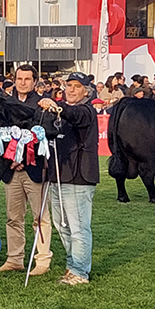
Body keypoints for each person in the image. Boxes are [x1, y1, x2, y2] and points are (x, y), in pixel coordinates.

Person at [39, 71, 99, 285]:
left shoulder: (86, 110)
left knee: (78, 226)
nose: (71, 90)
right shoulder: (62, 112)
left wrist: (58, 107)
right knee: (62, 225)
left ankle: (80, 272)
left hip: (78, 178)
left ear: (86, 90)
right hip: (58, 176)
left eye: (76, 86)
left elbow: (76, 115)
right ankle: (72, 265)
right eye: (68, 86)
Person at [0, 64, 52, 277]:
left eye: (27, 79)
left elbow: (44, 136)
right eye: (19, 78)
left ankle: (43, 259)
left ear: (34, 81)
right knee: (13, 217)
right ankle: (15, 258)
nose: (22, 82)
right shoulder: (6, 104)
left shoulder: (41, 105)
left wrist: (24, 159)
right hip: (11, 170)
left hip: (34, 168)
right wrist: (12, 159)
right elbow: (1, 135)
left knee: (40, 218)